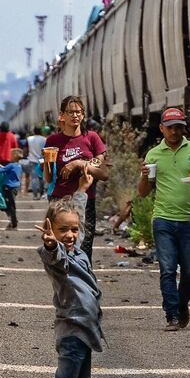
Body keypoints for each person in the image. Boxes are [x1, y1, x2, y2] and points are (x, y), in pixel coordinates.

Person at [33, 180, 103, 378]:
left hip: (86, 331)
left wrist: (82, 192)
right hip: (72, 332)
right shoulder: (58, 257)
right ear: (51, 229)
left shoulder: (80, 253)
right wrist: (51, 244)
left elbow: (79, 216)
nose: (71, 234)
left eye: (74, 230)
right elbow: (54, 256)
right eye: (63, 230)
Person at [139, 107, 190, 331]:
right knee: (168, 269)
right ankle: (172, 315)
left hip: (189, 219)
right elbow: (143, 192)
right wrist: (144, 177)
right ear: (162, 128)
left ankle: (181, 305)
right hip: (163, 218)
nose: (175, 131)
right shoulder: (153, 155)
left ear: (184, 128)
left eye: (179, 127)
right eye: (170, 127)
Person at [46, 96, 110, 259]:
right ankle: (65, 283)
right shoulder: (53, 141)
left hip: (86, 200)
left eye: (78, 112)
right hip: (59, 201)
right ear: (62, 115)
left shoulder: (92, 139)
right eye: (70, 112)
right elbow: (48, 178)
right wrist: (47, 163)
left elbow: (102, 173)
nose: (75, 116)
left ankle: (84, 282)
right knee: (60, 248)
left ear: (83, 115)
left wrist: (79, 163)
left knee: (84, 247)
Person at [0, 149, 23, 229]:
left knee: (10, 205)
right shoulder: (18, 165)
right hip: (15, 187)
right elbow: (5, 168)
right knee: (11, 204)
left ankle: (14, 222)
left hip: (9, 188)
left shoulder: (11, 165)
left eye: (11, 154)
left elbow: (1, 171)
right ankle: (13, 221)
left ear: (14, 156)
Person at [24, 125, 48, 198]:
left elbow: (25, 149)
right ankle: (41, 193)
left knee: (34, 177)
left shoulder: (29, 139)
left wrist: (25, 155)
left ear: (34, 131)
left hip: (32, 159)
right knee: (41, 177)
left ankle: (35, 195)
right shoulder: (44, 139)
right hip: (41, 159)